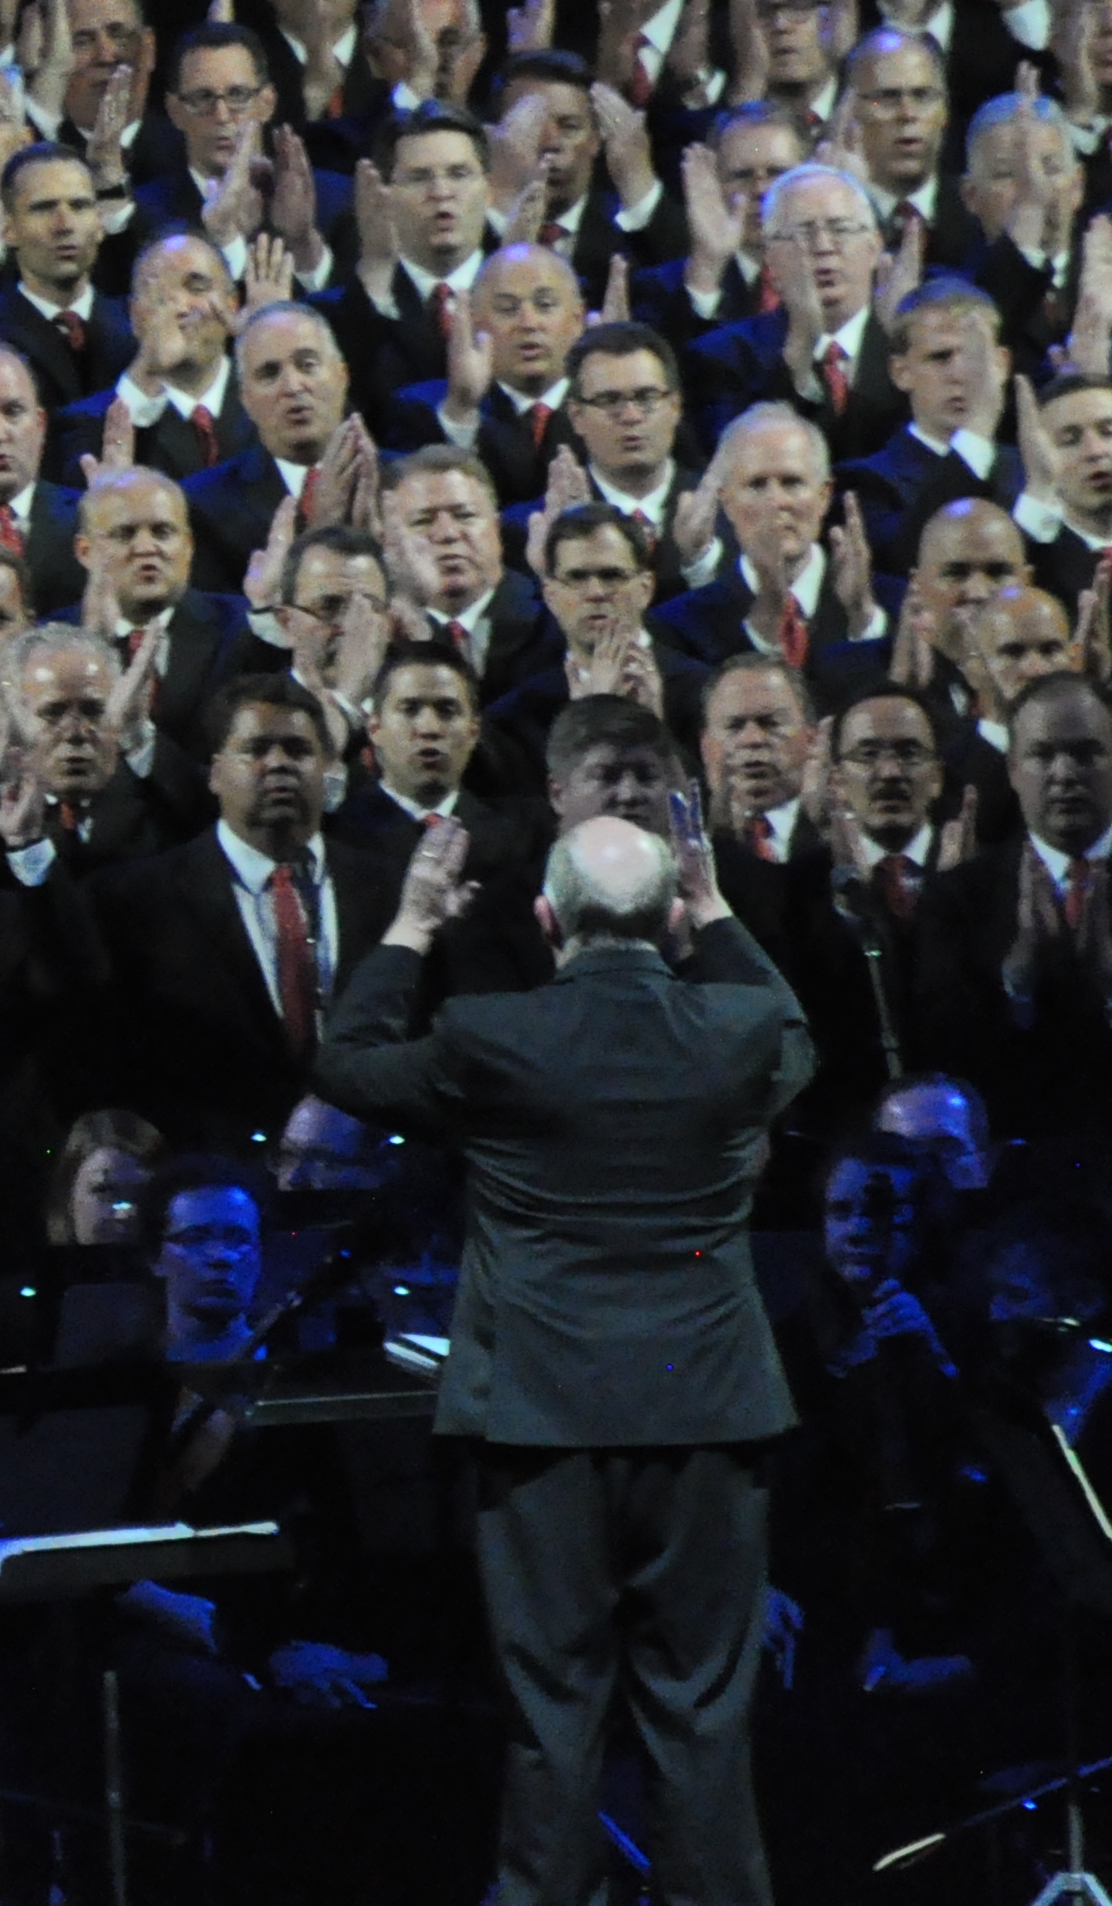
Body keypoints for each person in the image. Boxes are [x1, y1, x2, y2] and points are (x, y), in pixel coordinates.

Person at [318, 811, 811, 1906]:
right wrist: (718, 912)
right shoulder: (737, 1027)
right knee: (705, 1715)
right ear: (671, 917)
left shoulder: (489, 1034)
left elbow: (345, 1065)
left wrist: (410, 925)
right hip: (707, 1412)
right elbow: (795, 1037)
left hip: (542, 1421)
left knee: (553, 1715)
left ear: (546, 921)